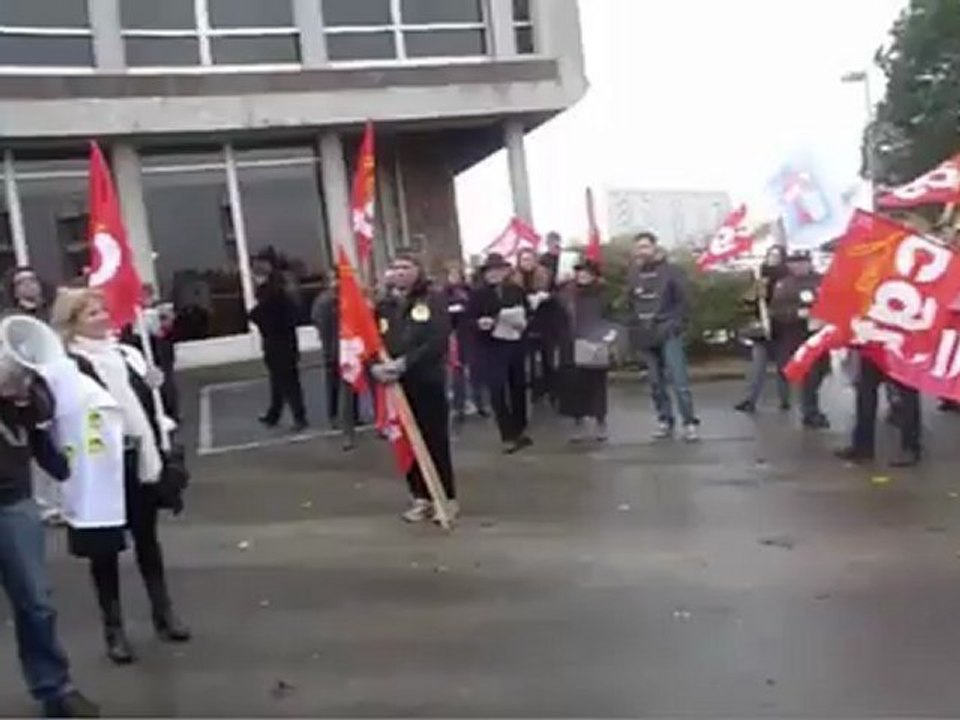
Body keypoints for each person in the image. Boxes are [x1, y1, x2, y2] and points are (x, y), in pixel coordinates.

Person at [51, 288, 190, 665]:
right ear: (73, 322)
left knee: (148, 541)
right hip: (101, 470)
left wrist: (156, 384)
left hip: (139, 459)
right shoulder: (66, 366)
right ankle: (114, 629)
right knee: (105, 552)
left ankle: (164, 613)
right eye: (91, 313)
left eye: (101, 310)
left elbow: (151, 404)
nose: (101, 317)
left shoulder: (126, 354)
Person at [0, 347, 99, 718]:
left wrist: (26, 388)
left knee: (36, 602)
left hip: (13, 504)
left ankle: (55, 688)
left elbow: (45, 411)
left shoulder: (14, 380)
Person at [372, 255, 458, 523]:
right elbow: (373, 339)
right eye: (395, 267)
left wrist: (405, 363)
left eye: (406, 267)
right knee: (405, 440)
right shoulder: (384, 305)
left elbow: (437, 340)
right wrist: (376, 366)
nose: (399, 273)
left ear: (418, 271)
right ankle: (419, 496)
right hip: (396, 385)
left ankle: (444, 497)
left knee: (434, 440)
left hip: (426, 381)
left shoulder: (432, 300)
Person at [628, 232, 700, 441]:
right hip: (646, 333)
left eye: (646, 247)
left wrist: (674, 324)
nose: (642, 251)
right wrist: (634, 328)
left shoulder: (672, 271)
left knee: (679, 380)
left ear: (654, 248)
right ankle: (665, 420)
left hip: (668, 332)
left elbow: (684, 301)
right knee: (655, 382)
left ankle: (689, 422)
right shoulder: (633, 274)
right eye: (639, 247)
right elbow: (630, 303)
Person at [467, 253, 532, 454]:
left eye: (499, 270)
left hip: (515, 344)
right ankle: (507, 435)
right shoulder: (477, 294)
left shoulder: (516, 290)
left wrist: (523, 322)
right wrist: (479, 323)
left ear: (506, 272)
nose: (495, 274)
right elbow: (466, 320)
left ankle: (519, 430)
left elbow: (528, 312)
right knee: (497, 390)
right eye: (490, 271)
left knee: (518, 387)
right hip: (490, 346)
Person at [557, 258, 617, 442]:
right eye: (580, 272)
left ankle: (600, 422)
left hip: (595, 342)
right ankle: (579, 423)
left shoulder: (602, 294)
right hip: (572, 342)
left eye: (586, 272)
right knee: (574, 385)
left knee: (597, 384)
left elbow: (611, 316)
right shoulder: (567, 293)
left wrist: (609, 335)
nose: (582, 275)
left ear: (594, 275)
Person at [769, 250, 830, 429]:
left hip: (820, 333)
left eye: (803, 262)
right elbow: (777, 311)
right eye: (795, 263)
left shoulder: (821, 280)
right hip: (798, 335)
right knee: (809, 374)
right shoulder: (785, 285)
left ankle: (811, 407)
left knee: (822, 370)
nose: (800, 266)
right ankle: (810, 411)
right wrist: (796, 313)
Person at [249, 249, 307, 432]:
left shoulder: (274, 295)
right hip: (281, 343)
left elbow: (266, 317)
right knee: (278, 381)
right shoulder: (276, 292)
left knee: (288, 382)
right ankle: (274, 414)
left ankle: (299, 417)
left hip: (280, 344)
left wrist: (255, 316)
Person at [836, 352, 922, 467]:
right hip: (875, 344)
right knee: (866, 392)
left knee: (905, 394)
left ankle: (910, 447)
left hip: (897, 345)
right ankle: (863, 446)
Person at [735, 245, 791, 413]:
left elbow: (788, 300)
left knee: (783, 366)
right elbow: (748, 300)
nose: (773, 258)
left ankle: (785, 399)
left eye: (777, 255)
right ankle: (750, 400)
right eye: (770, 254)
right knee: (757, 366)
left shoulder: (787, 277)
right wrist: (755, 293)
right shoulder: (760, 275)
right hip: (762, 328)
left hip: (782, 327)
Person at [311, 274, 357, 450]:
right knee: (337, 386)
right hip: (335, 349)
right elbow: (320, 323)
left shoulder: (352, 298)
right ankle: (337, 419)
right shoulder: (325, 302)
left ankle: (353, 417)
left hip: (352, 349)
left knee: (351, 388)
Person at [444, 264, 486, 426]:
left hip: (470, 333)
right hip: (454, 335)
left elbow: (475, 309)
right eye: (451, 275)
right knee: (457, 372)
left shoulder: (470, 291)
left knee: (476, 370)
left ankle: (480, 403)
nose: (454, 278)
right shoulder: (444, 293)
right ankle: (458, 407)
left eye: (457, 274)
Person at [516, 248, 557, 406]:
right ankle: (535, 389)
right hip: (525, 322)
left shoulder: (545, 275)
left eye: (530, 259)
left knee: (548, 357)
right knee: (530, 359)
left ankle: (552, 389)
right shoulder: (514, 278)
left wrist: (546, 297)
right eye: (524, 259)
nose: (527, 262)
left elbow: (556, 293)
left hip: (545, 320)